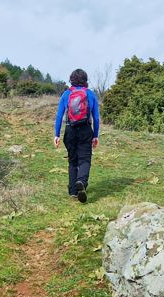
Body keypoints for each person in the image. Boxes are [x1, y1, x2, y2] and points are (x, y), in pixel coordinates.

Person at [53, 69, 100, 203]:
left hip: (70, 130)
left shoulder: (66, 94)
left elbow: (59, 116)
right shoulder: (90, 94)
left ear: (71, 80)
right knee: (85, 159)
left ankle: (73, 190)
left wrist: (56, 134)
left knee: (72, 160)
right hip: (85, 129)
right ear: (85, 80)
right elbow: (95, 118)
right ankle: (81, 181)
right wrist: (95, 135)